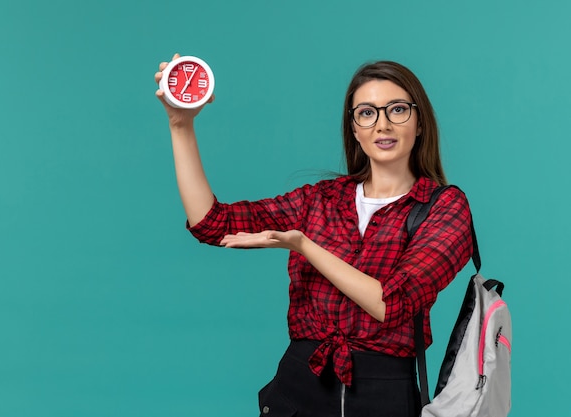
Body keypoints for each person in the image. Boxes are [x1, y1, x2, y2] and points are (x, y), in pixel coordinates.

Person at [155, 54, 473, 417]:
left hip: (384, 394)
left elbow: (391, 304)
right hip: (299, 388)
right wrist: (180, 125)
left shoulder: (444, 207)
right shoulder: (320, 199)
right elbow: (212, 223)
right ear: (354, 129)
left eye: (397, 110)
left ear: (419, 123)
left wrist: (304, 246)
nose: (382, 124)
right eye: (367, 113)